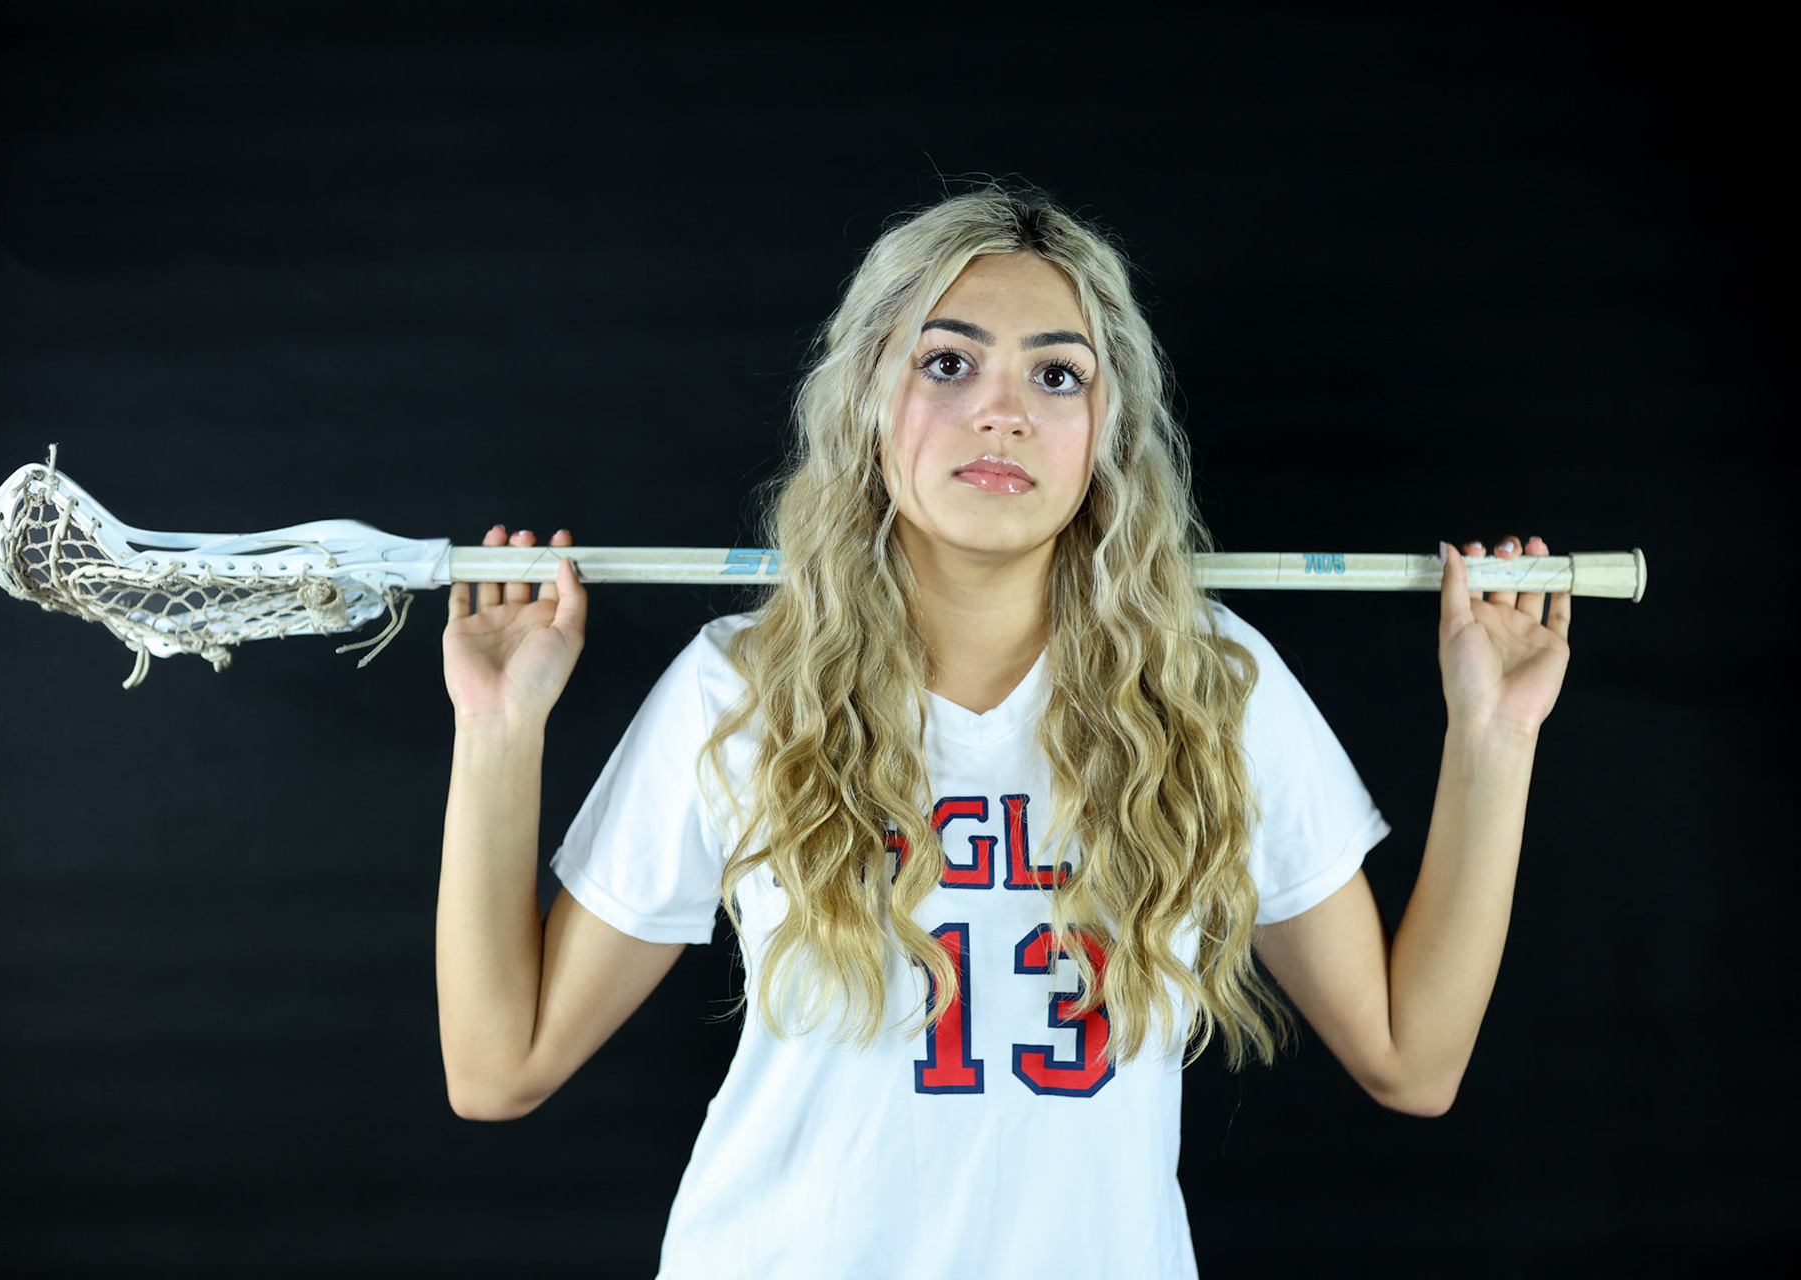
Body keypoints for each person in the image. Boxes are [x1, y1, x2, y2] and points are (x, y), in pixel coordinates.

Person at [433, 188, 1572, 1279]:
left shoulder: (1212, 683)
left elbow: (1412, 1058)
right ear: (870, 403)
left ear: (1103, 435)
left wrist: (1495, 730)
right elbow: (499, 1067)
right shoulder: (744, 685)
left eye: (1057, 375)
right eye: (947, 360)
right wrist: (498, 724)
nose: (1004, 408)